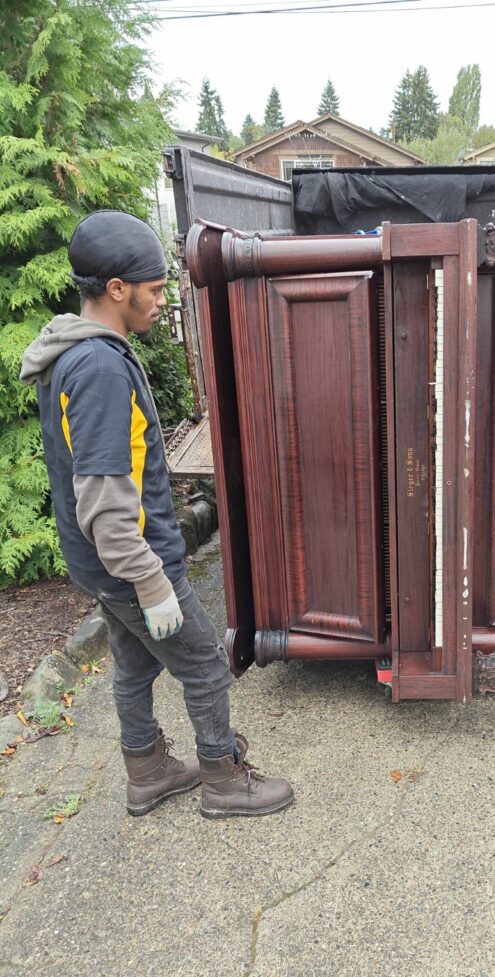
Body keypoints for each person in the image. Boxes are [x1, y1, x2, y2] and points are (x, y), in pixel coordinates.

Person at [20, 209, 293, 820]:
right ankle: (224, 780)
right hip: (131, 562)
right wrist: (152, 583)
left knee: (135, 663)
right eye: (156, 288)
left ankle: (147, 771)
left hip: (103, 566)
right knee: (204, 664)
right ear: (116, 289)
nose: (162, 300)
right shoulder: (97, 370)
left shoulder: (80, 355)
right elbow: (103, 498)